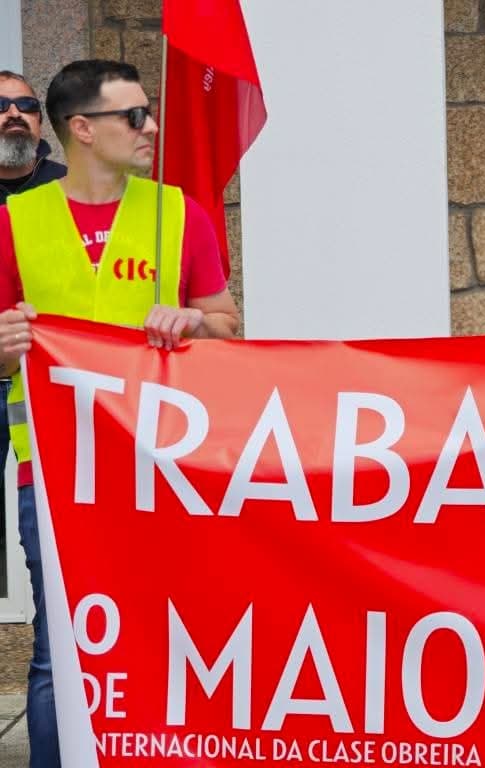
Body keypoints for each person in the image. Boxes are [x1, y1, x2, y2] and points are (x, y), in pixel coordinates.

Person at [0, 59, 240, 767]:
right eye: (134, 116)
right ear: (82, 128)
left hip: (163, 468)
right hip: (55, 475)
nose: (151, 127)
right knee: (60, 654)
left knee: (172, 639)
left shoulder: (179, 213)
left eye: (150, 112)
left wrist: (195, 322)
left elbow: (228, 327)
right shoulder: (14, 222)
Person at [0, 71, 66, 572]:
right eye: (1, 105)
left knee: (47, 528)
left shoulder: (68, 189)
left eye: (25, 106)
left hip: (45, 381)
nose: (13, 115)